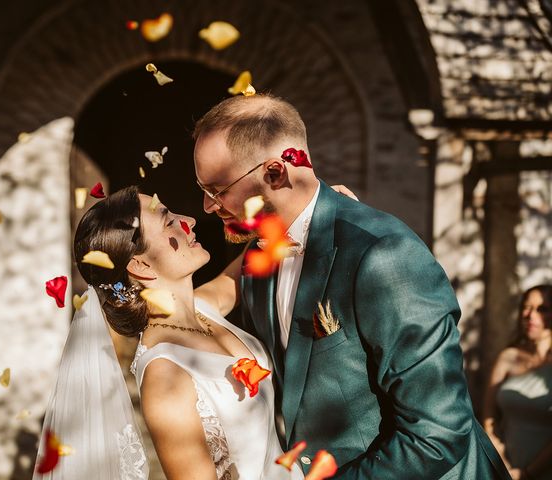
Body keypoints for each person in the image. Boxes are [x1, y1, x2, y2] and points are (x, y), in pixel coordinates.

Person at [192, 93, 512, 479]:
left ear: (277, 173)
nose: (208, 207)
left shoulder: (384, 256)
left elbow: (439, 432)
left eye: (217, 190)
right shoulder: (259, 257)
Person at [34, 186, 303, 479]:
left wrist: (314, 211)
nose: (190, 220)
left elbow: (260, 254)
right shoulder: (164, 377)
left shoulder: (203, 307)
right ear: (140, 265)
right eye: (169, 221)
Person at [483, 285, 552, 479]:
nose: (530, 315)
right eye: (527, 307)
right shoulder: (508, 357)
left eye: (542, 309)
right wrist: (501, 462)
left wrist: (527, 473)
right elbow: (489, 418)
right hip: (504, 470)